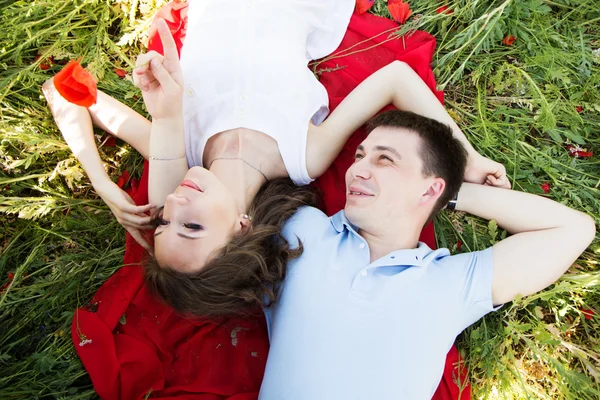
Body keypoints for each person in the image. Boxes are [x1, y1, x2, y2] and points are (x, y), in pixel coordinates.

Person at [43, 0, 509, 315]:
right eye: (194, 226)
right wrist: (467, 158)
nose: (176, 207)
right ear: (242, 226)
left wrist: (103, 184)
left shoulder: (180, 150)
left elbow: (61, 93)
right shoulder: (303, 155)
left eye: (164, 222)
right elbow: (396, 78)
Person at [256, 110, 596, 400]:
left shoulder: (451, 282)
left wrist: (449, 193)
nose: (356, 170)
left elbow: (573, 229)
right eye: (359, 156)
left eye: (384, 159)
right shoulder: (303, 228)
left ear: (430, 188)